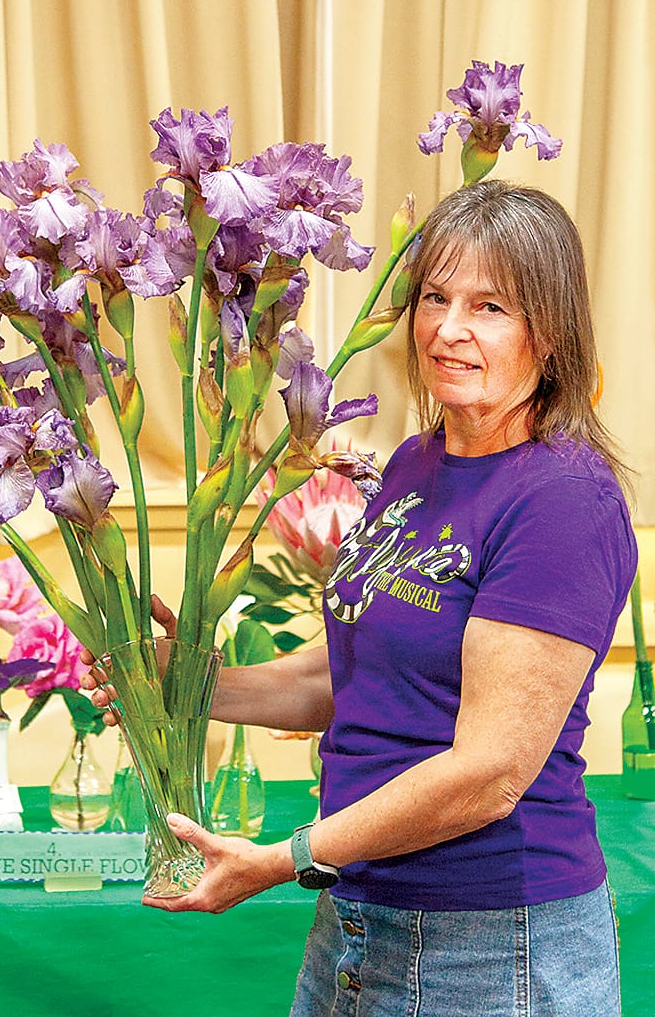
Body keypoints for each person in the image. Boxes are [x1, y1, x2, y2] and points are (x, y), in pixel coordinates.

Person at [83, 180, 637, 1017]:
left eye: (489, 306)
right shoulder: (416, 466)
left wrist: (284, 858)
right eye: (434, 298)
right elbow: (350, 677)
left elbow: (487, 774)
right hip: (356, 920)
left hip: (491, 947)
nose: (447, 330)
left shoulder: (561, 500)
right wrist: (186, 682)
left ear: (550, 332)